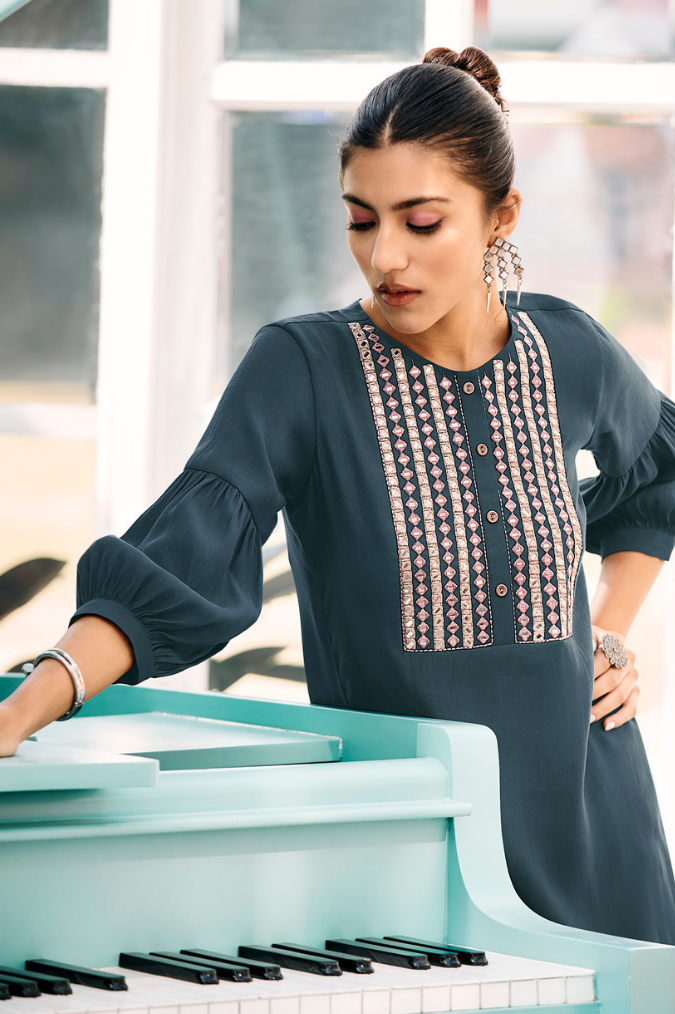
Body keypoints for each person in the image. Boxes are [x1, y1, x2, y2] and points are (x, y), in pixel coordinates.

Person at [1, 45, 675, 944]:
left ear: (499, 216)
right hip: (411, 842)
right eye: (361, 221)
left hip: (600, 835)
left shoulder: (569, 352)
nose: (383, 257)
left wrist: (610, 626)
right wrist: (17, 714)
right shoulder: (303, 368)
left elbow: (658, 472)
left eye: (421, 222)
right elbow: (183, 557)